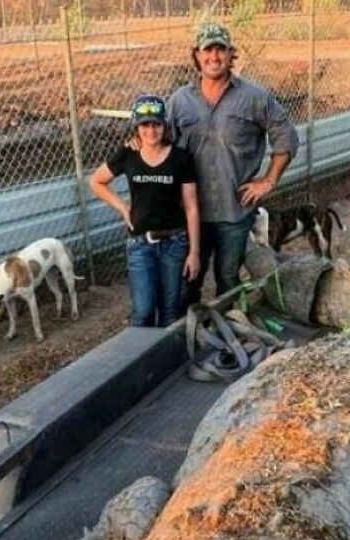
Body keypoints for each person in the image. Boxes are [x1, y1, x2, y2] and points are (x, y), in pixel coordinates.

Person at [167, 23, 299, 305]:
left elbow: (286, 134)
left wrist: (269, 179)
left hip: (235, 212)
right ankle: (190, 340)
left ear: (231, 54)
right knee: (189, 280)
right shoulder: (180, 102)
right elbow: (161, 148)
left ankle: (227, 337)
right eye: (208, 49)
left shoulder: (254, 97)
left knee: (227, 279)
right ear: (196, 55)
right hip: (192, 214)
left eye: (221, 49)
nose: (214, 56)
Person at [89, 94, 200, 327]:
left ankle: (170, 359)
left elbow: (191, 207)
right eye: (145, 125)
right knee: (143, 310)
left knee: (171, 309)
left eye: (156, 124)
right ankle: (142, 360)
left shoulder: (181, 158)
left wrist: (194, 252)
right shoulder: (128, 154)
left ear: (165, 125)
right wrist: (121, 207)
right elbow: (97, 182)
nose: (151, 130)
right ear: (137, 127)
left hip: (175, 242)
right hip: (141, 244)